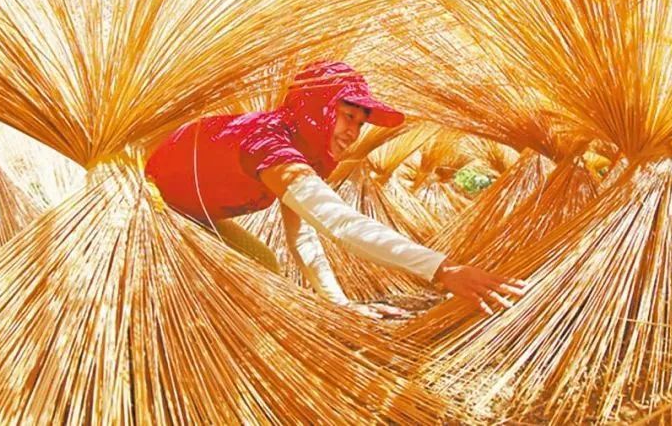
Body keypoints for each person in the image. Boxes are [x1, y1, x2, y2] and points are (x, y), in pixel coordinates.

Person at [146, 61, 526, 318]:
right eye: (347, 116)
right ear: (317, 108)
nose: (353, 132)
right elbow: (338, 223)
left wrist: (338, 304)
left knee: (261, 265)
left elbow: (302, 235)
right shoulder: (267, 142)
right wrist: (442, 269)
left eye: (361, 123)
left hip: (191, 215)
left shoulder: (301, 154)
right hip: (142, 204)